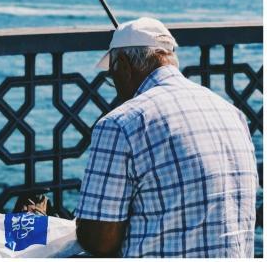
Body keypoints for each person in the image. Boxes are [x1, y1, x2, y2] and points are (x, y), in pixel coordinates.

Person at [75, 17, 258, 258]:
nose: (116, 86)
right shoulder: (232, 113)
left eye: (112, 76)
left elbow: (99, 241)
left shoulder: (120, 124)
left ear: (123, 65)